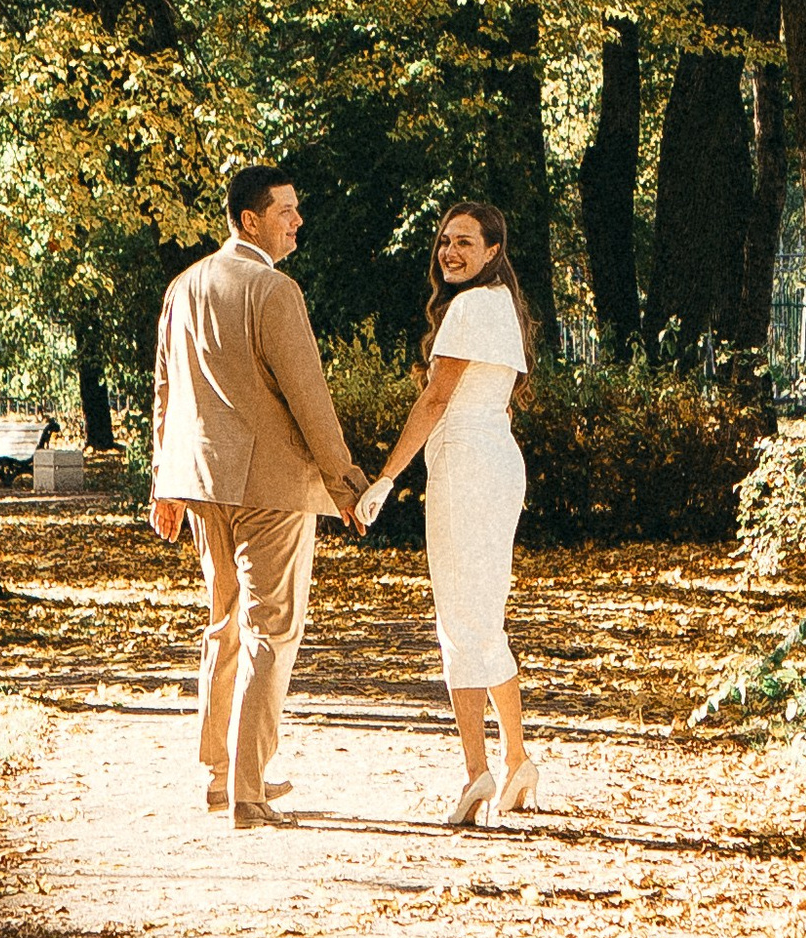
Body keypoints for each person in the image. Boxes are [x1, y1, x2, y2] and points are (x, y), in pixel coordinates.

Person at [151, 167, 368, 828]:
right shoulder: (274, 290)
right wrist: (348, 486)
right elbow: (310, 401)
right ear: (250, 220)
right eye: (286, 211)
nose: (297, 221)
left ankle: (222, 777)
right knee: (271, 630)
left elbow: (166, 392)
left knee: (225, 624)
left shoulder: (183, 286)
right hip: (271, 488)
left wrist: (165, 485)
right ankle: (248, 791)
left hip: (202, 485)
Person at [357, 197, 538, 824]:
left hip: (466, 462)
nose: (450, 252)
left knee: (461, 617)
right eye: (444, 242)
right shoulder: (501, 307)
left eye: (465, 242)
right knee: (484, 612)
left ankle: (476, 773)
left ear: (492, 251)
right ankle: (516, 759)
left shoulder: (469, 308)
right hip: (493, 458)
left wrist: (384, 478)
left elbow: (435, 400)